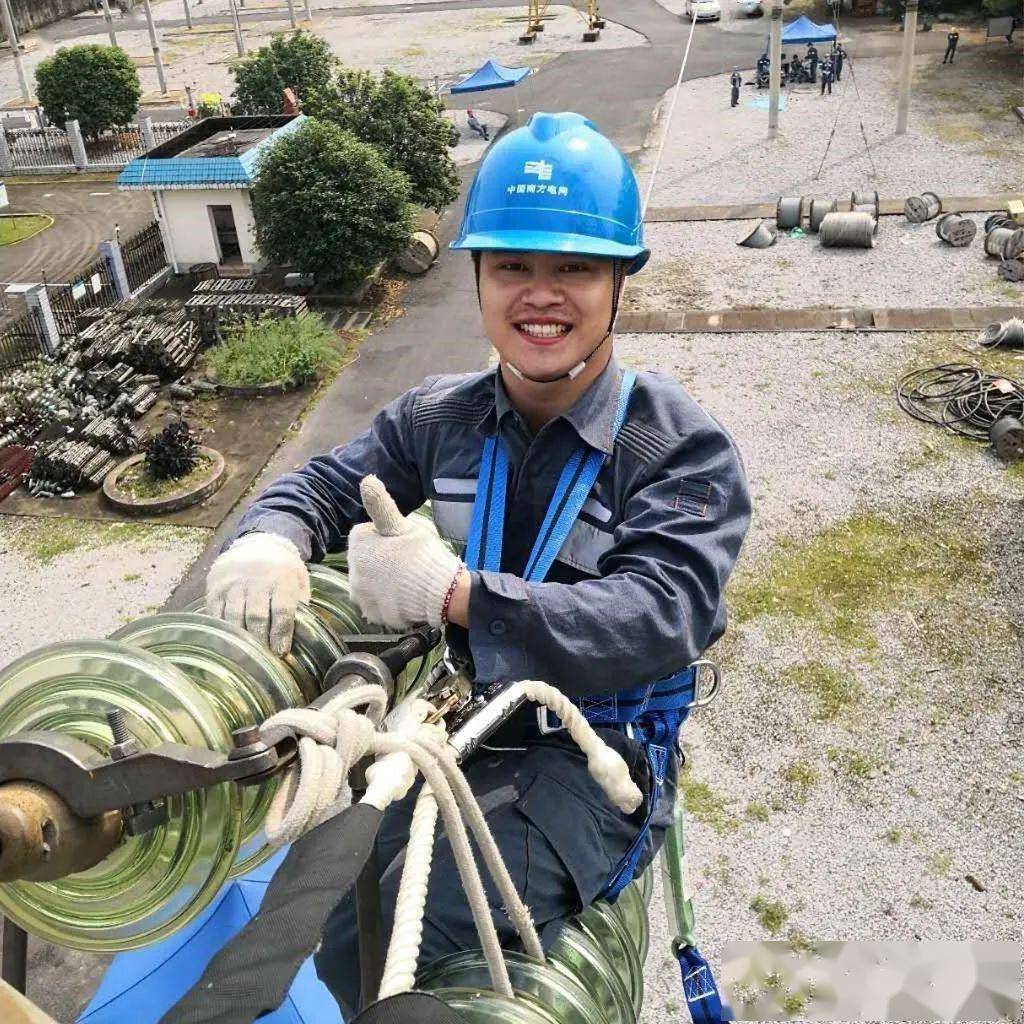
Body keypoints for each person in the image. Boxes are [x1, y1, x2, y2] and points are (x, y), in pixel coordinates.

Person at [205, 111, 751, 1018]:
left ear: (620, 282)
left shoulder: (673, 449)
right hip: (463, 728)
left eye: (574, 267)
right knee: (348, 929)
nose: (542, 294)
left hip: (594, 752)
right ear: (478, 278)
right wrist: (269, 537)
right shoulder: (440, 419)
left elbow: (661, 614)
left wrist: (453, 595)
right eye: (513, 268)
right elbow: (322, 488)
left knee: (448, 936)